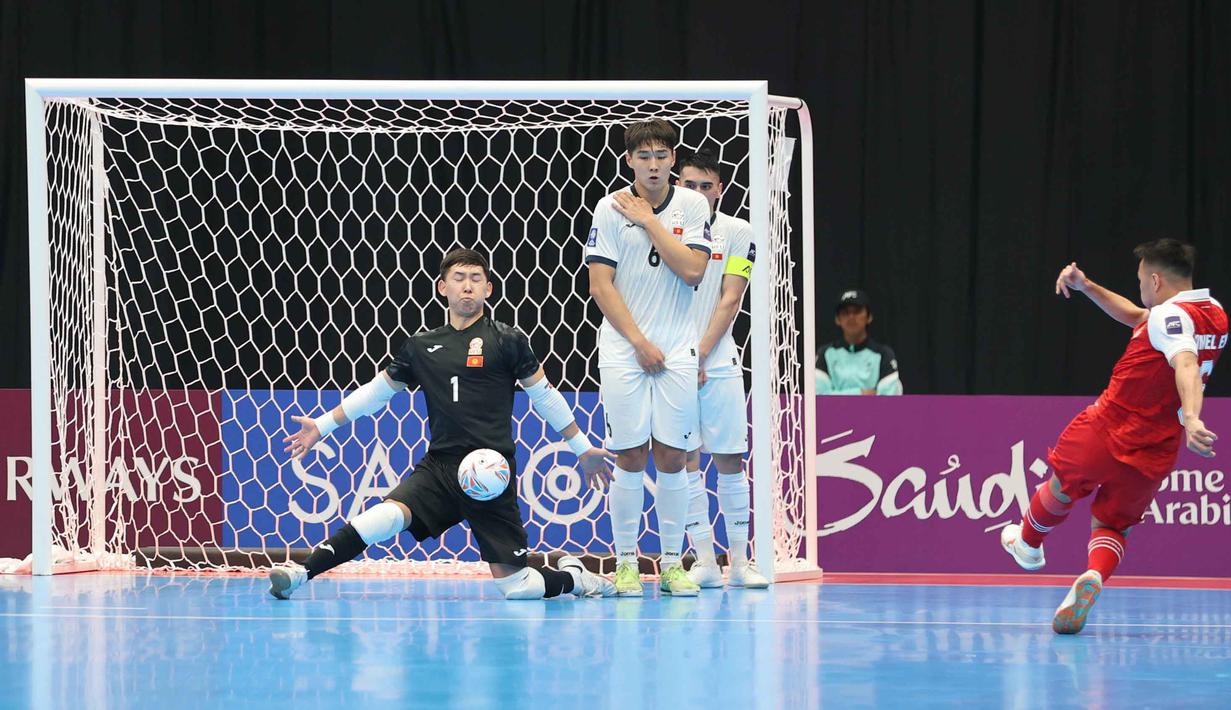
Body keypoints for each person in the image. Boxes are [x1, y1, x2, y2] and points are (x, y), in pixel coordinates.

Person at [270, 248, 617, 601]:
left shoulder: (507, 340)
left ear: (489, 290)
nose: (467, 286)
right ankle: (301, 572)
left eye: (476, 279)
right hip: (440, 467)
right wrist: (322, 425)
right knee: (387, 516)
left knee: (518, 587)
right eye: (459, 278)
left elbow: (544, 396)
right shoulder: (421, 346)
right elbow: (377, 393)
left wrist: (583, 448)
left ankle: (576, 578)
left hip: (490, 473)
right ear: (442, 288)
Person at [1000, 239, 1226, 634]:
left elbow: (1185, 363)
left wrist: (1193, 416)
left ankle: (1029, 546)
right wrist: (1087, 286)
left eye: (1141, 280)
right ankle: (1093, 576)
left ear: (1155, 280)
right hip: (1158, 445)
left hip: (1110, 425)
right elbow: (1141, 317)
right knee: (1113, 525)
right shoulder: (1215, 314)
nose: (1139, 287)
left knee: (1061, 487)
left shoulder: (1167, 318)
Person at [586, 119, 712, 596]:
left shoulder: (693, 204)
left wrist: (651, 221)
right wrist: (639, 342)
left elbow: (694, 270)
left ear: (673, 159)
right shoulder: (608, 207)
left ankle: (673, 564)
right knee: (631, 454)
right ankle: (624, 565)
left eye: (662, 155)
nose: (654, 164)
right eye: (644, 156)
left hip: (679, 348)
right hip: (624, 349)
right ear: (629, 161)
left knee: (673, 456)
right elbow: (601, 286)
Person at [672, 148, 768, 589]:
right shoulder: (664, 230)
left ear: (720, 190)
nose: (696, 193)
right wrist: (682, 359)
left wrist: (701, 356)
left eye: (705, 186)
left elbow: (732, 297)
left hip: (720, 362)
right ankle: (706, 562)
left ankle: (741, 562)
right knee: (684, 461)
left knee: (729, 459)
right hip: (670, 363)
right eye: (688, 185)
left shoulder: (739, 232)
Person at [816, 289, 902, 395]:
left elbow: (890, 398)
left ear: (869, 317)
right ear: (837, 319)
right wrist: (861, 393)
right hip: (831, 412)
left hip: (875, 412)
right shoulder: (825, 353)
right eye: (845, 312)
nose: (851, 317)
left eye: (857, 311)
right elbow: (817, 397)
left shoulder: (884, 354)